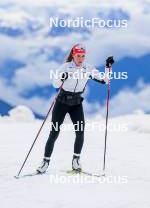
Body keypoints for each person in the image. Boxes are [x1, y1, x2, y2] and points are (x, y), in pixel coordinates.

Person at [37, 43, 114, 173]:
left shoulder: (88, 68)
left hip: (76, 103)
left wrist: (108, 67)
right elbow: (55, 83)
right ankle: (45, 162)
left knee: (80, 131)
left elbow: (105, 80)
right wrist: (62, 77)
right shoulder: (65, 67)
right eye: (78, 56)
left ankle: (76, 161)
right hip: (62, 102)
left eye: (83, 56)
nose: (81, 58)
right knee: (54, 132)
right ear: (73, 55)